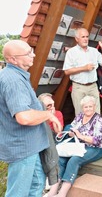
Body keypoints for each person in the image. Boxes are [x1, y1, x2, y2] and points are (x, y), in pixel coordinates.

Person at [0, 40, 62, 197]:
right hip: (23, 149)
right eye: (27, 53)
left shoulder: (17, 75)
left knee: (35, 188)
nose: (33, 55)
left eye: (31, 50)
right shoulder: (13, 80)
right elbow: (24, 117)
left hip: (32, 146)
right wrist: (49, 115)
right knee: (18, 193)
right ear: (13, 59)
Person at [48, 95, 102, 197]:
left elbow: (98, 140)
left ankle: (62, 193)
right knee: (61, 158)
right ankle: (52, 191)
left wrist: (80, 136)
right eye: (85, 107)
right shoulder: (80, 116)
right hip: (78, 146)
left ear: (94, 107)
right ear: (82, 108)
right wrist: (71, 132)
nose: (88, 109)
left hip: (94, 148)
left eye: (90, 106)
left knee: (74, 160)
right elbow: (72, 127)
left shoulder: (98, 120)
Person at [63, 27, 102, 115]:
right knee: (80, 116)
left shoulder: (94, 51)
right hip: (78, 87)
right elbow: (66, 71)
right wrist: (84, 68)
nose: (86, 39)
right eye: (83, 37)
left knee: (96, 116)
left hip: (93, 87)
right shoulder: (71, 52)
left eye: (87, 36)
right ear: (77, 39)